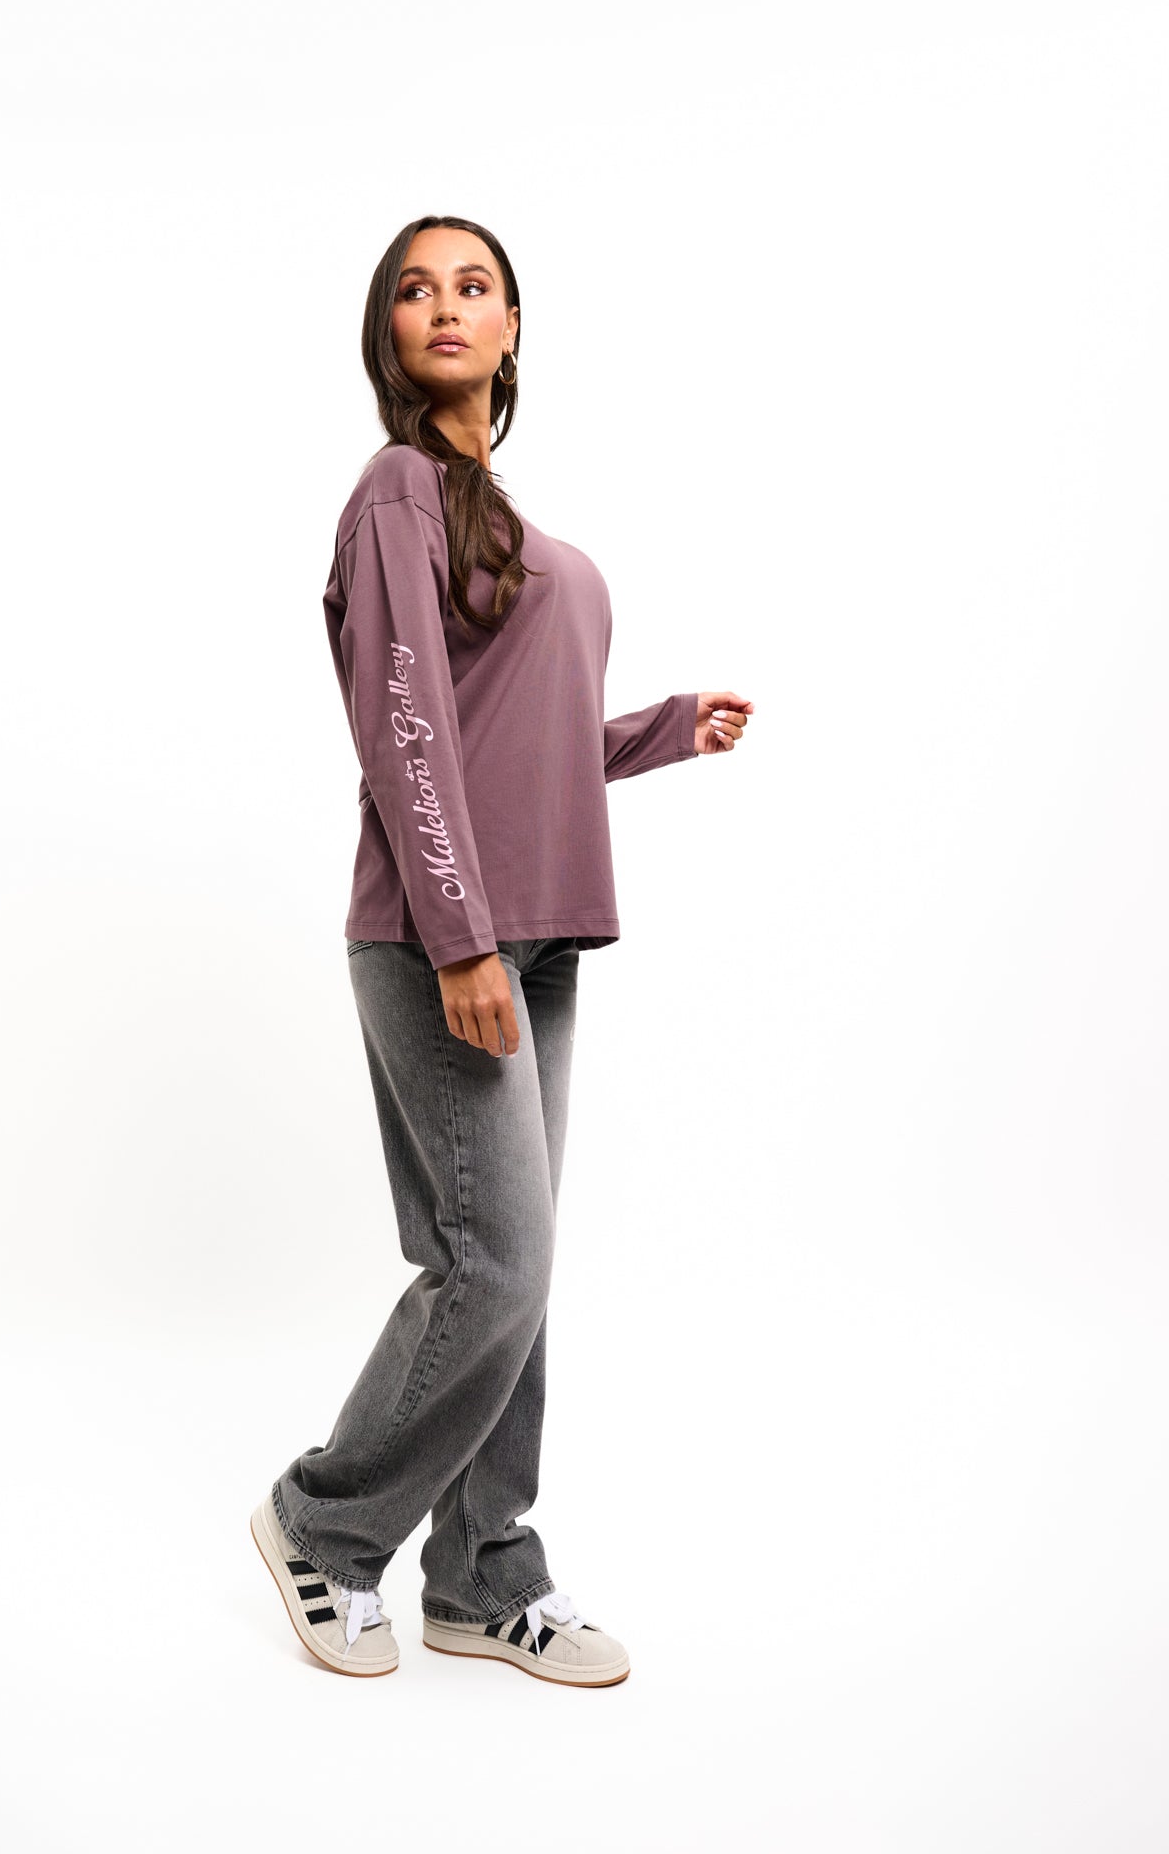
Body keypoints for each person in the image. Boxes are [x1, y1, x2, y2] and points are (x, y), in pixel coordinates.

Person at [250, 214, 754, 1686]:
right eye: (416, 290)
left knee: (514, 1276)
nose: (447, 306)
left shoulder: (497, 515)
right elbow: (405, 728)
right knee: (493, 1265)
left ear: (514, 326)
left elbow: (517, 744)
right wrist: (461, 939)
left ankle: (481, 1574)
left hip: (538, 939)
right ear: (389, 334)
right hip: (444, 941)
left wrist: (662, 730)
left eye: (474, 286)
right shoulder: (396, 493)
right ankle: (324, 1523)